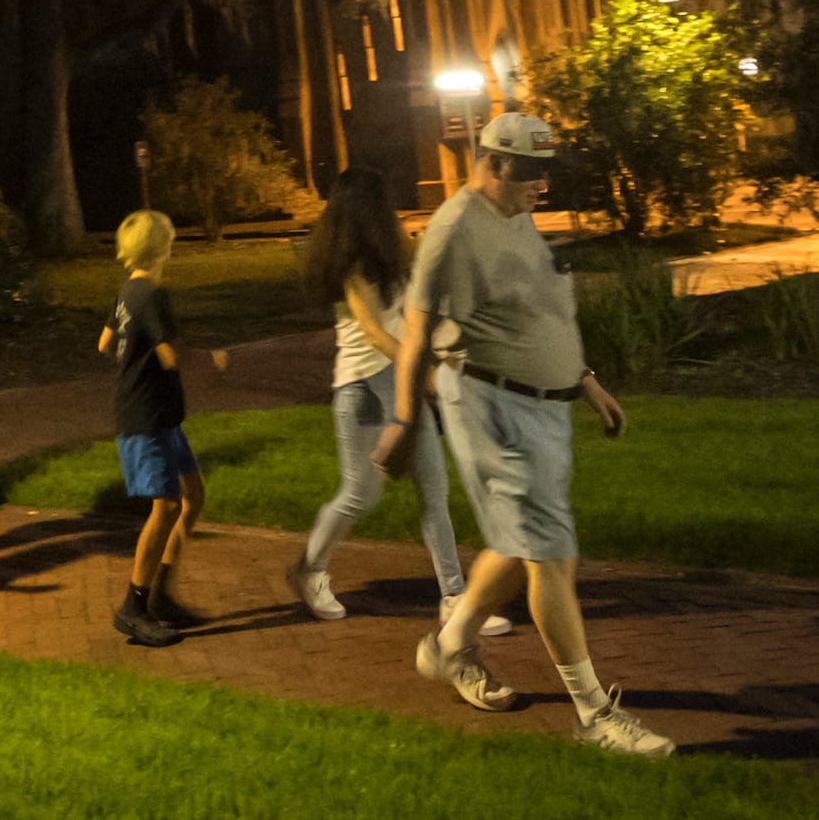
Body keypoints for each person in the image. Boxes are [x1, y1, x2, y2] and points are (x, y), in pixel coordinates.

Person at [379, 114, 672, 759]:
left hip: (543, 406)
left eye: (546, 173)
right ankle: (593, 713)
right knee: (550, 555)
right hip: (490, 405)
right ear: (492, 164)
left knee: (520, 544)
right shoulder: (453, 231)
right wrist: (402, 421)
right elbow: (417, 332)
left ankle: (450, 644)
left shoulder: (514, 215)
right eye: (530, 174)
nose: (541, 186)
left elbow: (536, 309)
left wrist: (585, 381)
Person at [288, 166, 468, 622]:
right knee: (359, 495)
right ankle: (309, 570)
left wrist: (441, 348)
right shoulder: (351, 269)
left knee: (434, 490)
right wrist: (421, 368)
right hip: (362, 387)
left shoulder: (394, 262)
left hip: (398, 380)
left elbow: (413, 317)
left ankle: (454, 599)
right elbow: (371, 331)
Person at [98, 207, 226, 648]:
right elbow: (171, 356)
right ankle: (133, 606)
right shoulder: (153, 294)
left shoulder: (127, 290)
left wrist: (131, 356)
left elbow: (104, 342)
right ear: (160, 247)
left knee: (193, 497)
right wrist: (209, 357)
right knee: (167, 506)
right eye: (169, 239)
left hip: (159, 415)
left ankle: (160, 596)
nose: (172, 245)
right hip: (145, 417)